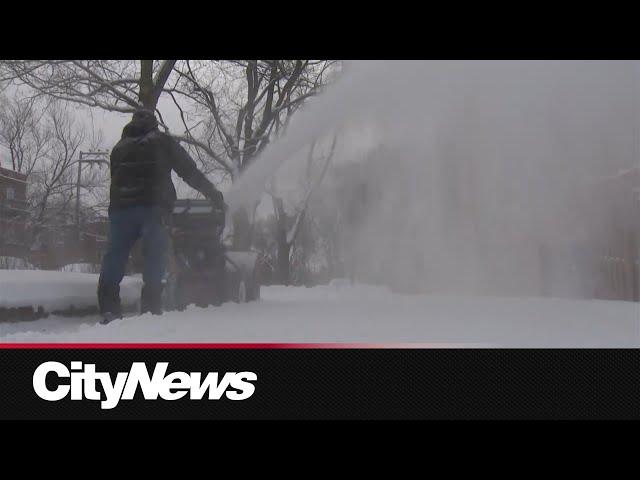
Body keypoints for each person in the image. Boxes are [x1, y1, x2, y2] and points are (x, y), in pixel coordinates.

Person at [97, 108, 224, 321]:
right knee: (155, 254)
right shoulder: (162, 142)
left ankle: (109, 306)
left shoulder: (119, 148)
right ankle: (150, 307)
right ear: (154, 124)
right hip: (153, 208)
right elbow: (188, 171)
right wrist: (213, 193)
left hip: (120, 210)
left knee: (115, 254)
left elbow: (115, 178)